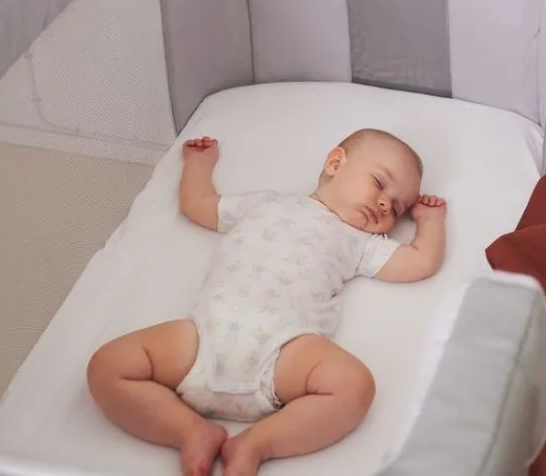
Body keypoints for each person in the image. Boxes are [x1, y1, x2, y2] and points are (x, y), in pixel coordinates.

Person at [86, 129, 447, 476]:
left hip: (284, 352)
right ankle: (190, 432)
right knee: (107, 366)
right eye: (380, 184)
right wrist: (198, 164)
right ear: (336, 164)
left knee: (355, 387)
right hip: (203, 338)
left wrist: (430, 222)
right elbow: (198, 205)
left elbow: (421, 262)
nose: (384, 204)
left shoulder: (360, 242)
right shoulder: (265, 203)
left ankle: (255, 444)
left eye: (396, 208)